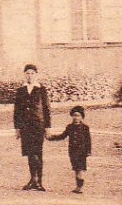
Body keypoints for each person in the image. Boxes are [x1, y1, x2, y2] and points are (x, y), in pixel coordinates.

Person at [12, 63, 51, 191]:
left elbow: (47, 109)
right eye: (27, 73)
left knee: (37, 152)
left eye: (32, 73)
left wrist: (47, 127)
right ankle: (32, 179)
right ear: (24, 75)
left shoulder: (41, 90)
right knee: (29, 153)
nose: (30, 76)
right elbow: (17, 111)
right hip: (25, 127)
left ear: (36, 75)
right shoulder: (20, 91)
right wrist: (17, 128)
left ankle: (38, 181)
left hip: (38, 126)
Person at [49, 105, 93, 193]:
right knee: (76, 168)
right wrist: (52, 137)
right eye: (74, 115)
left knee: (80, 169)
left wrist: (88, 151)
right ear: (72, 116)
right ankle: (78, 186)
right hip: (72, 151)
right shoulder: (69, 127)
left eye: (78, 115)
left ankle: (80, 187)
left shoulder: (85, 127)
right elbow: (63, 136)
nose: (76, 117)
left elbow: (88, 140)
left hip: (82, 151)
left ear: (82, 117)